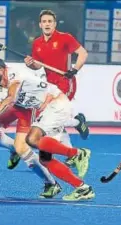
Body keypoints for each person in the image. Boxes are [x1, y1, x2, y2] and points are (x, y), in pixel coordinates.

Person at [0, 57, 95, 201]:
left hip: (56, 102)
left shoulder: (14, 74)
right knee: (45, 159)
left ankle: (77, 153)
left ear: (1, 70)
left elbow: (10, 98)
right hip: (47, 110)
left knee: (32, 138)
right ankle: (83, 188)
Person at [24, 9, 89, 152]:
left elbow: (83, 53)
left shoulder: (65, 38)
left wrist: (74, 70)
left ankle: (72, 144)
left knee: (54, 116)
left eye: (50, 21)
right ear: (40, 25)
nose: (47, 24)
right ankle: (77, 126)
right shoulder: (37, 43)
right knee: (55, 119)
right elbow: (37, 66)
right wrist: (31, 64)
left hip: (66, 82)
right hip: (50, 85)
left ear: (55, 24)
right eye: (44, 22)